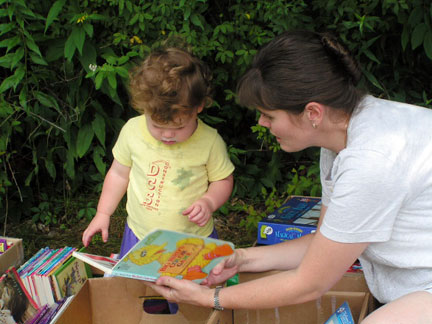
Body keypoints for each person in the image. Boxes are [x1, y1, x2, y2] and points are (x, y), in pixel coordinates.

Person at [147, 30, 432, 323]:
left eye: (269, 115)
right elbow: (322, 242)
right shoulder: (343, 136)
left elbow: (310, 282)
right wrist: (243, 258)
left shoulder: (371, 163)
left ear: (313, 113)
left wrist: (209, 298)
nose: (262, 122)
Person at [82, 47, 235, 259]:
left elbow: (223, 180)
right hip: (141, 235)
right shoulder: (133, 131)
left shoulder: (209, 142)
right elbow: (118, 174)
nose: (167, 135)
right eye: (156, 126)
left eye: (179, 128)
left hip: (193, 239)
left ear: (198, 107)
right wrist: (103, 213)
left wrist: (209, 201)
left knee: (193, 289)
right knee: (139, 288)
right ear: (144, 109)